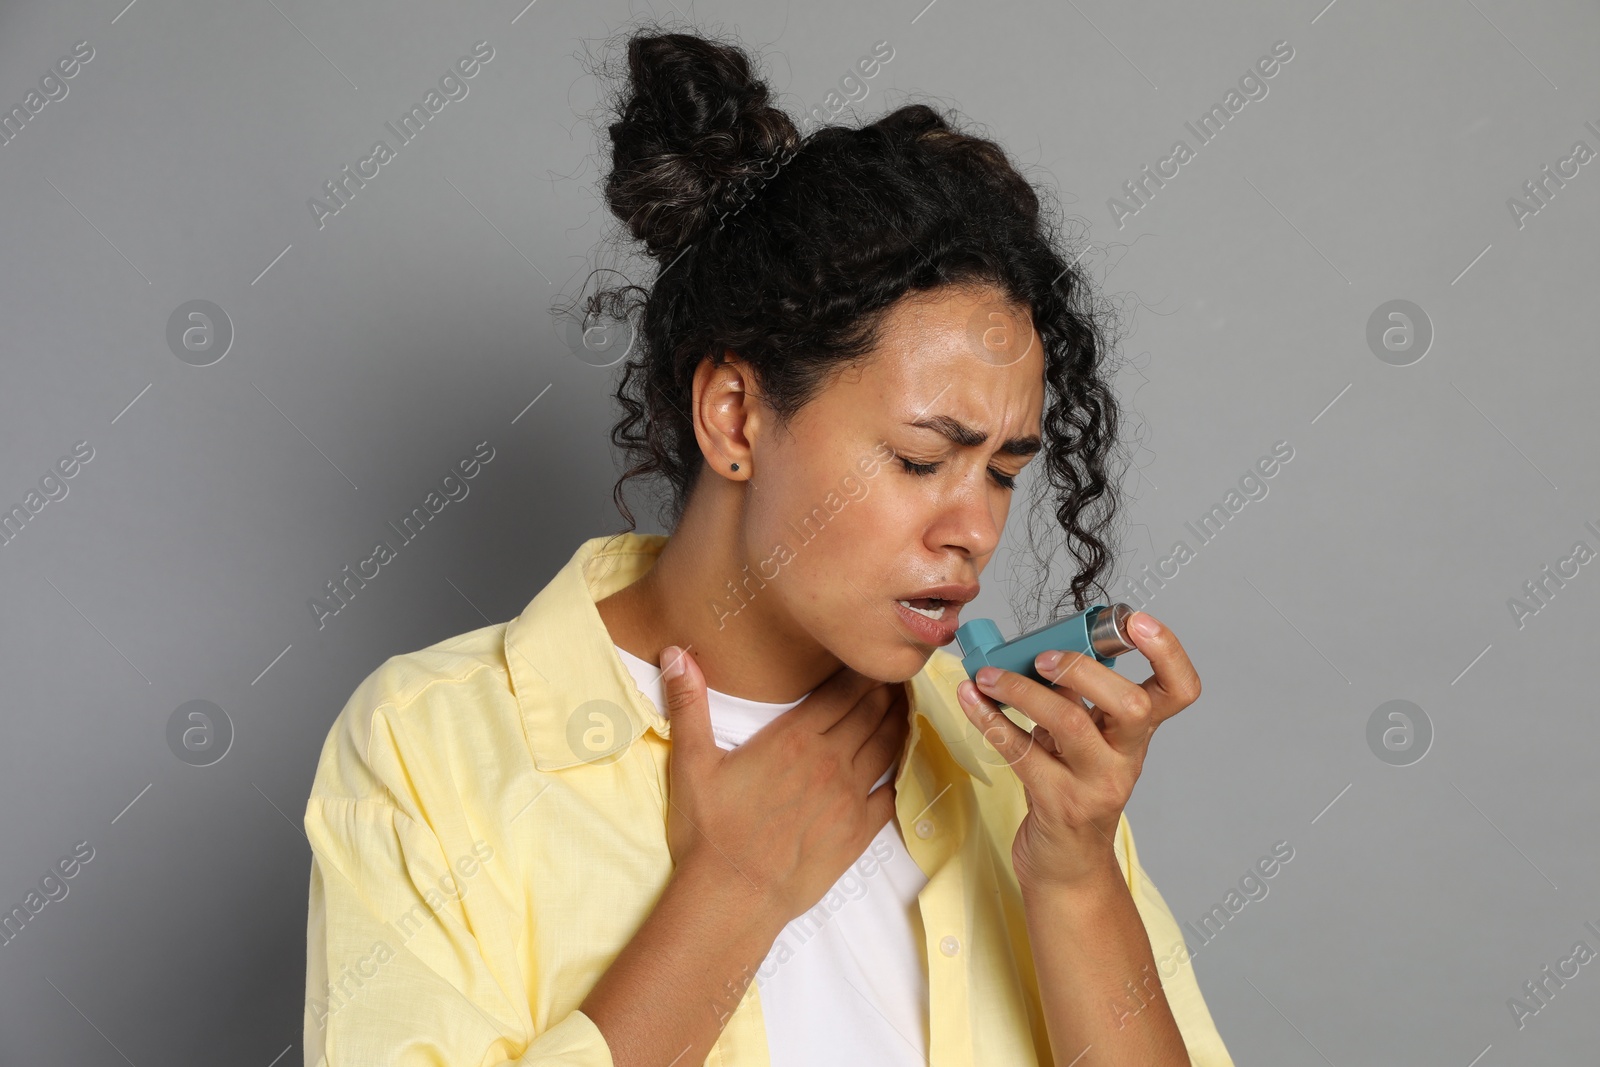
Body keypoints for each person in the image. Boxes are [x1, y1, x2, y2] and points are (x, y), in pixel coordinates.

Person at [302, 25, 1234, 1067]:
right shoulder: (438, 748)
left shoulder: (1002, 751)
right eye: (922, 458)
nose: (972, 528)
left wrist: (1073, 874)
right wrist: (730, 894)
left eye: (1005, 471)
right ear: (737, 417)